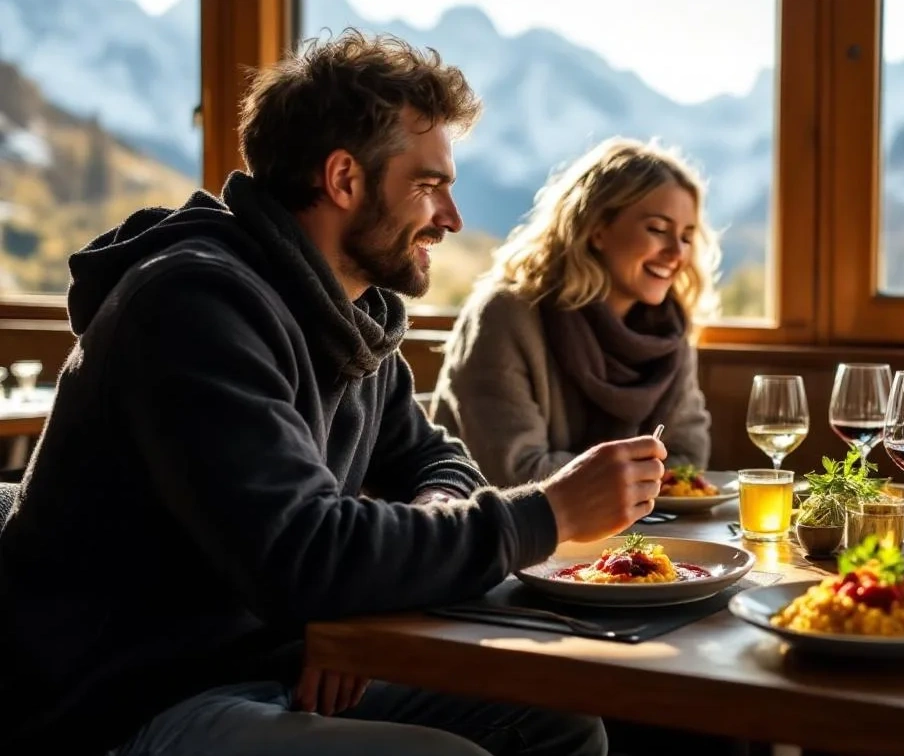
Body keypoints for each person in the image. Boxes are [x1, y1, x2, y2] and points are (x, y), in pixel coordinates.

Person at [0, 31, 667, 756]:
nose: (451, 218)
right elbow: (304, 556)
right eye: (429, 185)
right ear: (344, 178)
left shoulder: (350, 317)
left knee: (559, 721)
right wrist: (550, 512)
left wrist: (361, 595)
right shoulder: (192, 307)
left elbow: (437, 462)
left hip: (273, 658)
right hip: (132, 700)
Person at [430, 137, 718, 487]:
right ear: (597, 230)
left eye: (686, 237)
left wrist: (618, 478)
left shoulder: (668, 333)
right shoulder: (505, 316)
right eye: (657, 229)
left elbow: (688, 459)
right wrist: (640, 473)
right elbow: (513, 472)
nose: (677, 253)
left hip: (640, 522)